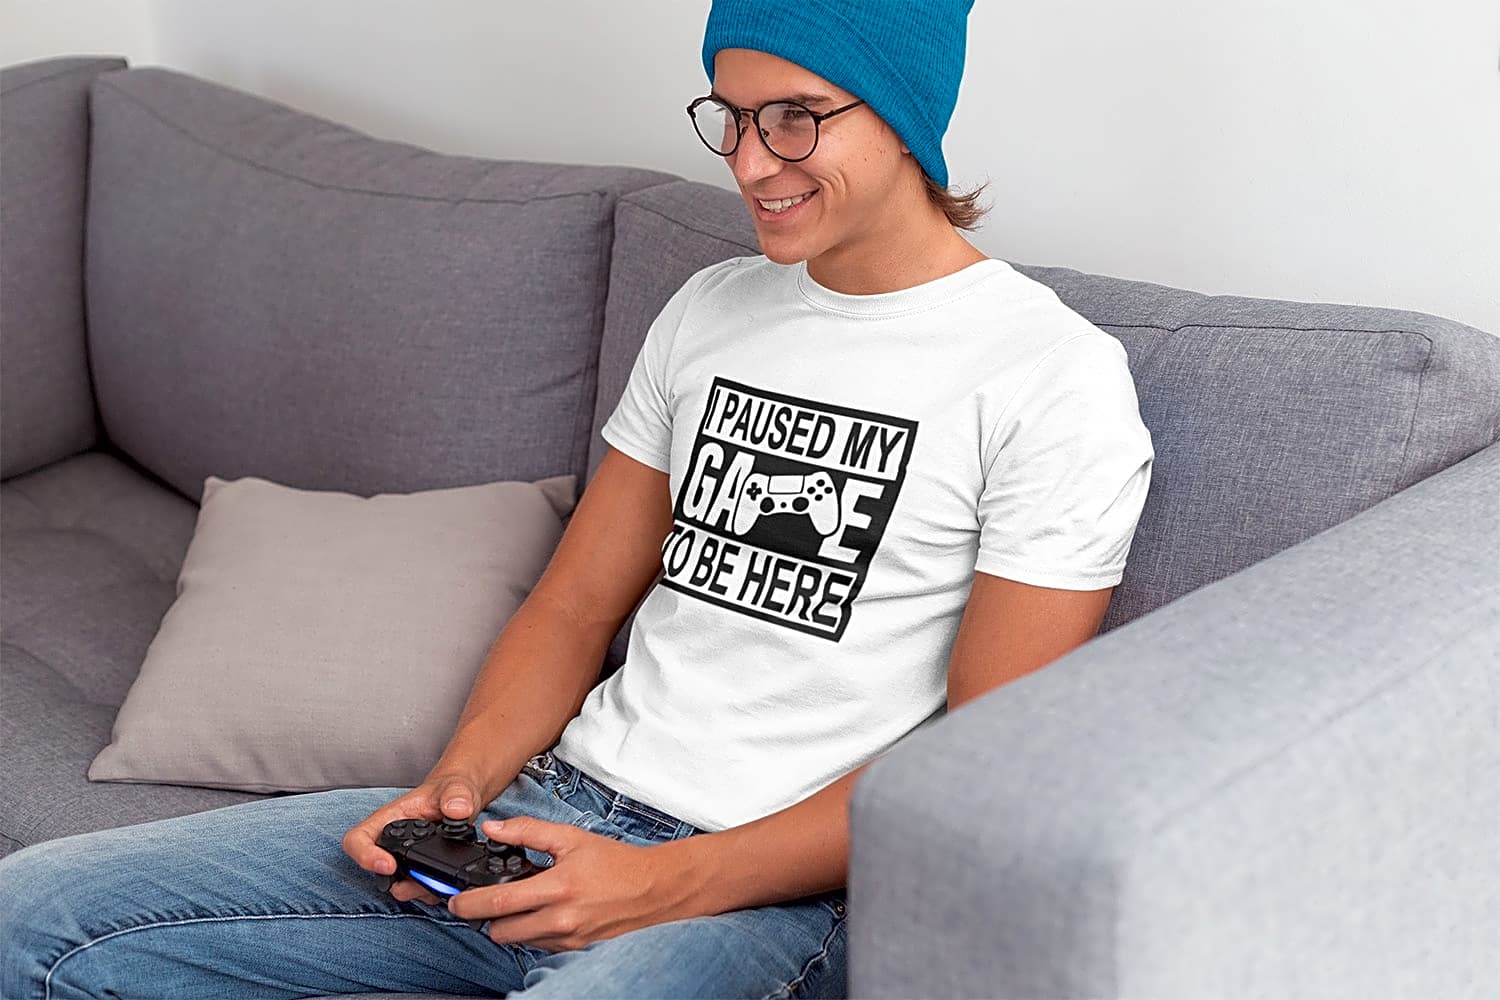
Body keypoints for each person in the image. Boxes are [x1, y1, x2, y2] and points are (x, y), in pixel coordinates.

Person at [0, 0, 1154, 997]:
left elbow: (970, 768)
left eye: (797, 117)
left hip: (770, 895)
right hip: (549, 813)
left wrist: (659, 883)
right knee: (33, 918)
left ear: (904, 114)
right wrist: (457, 787)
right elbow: (573, 606)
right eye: (731, 117)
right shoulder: (712, 309)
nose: (753, 164)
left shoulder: (1050, 377)